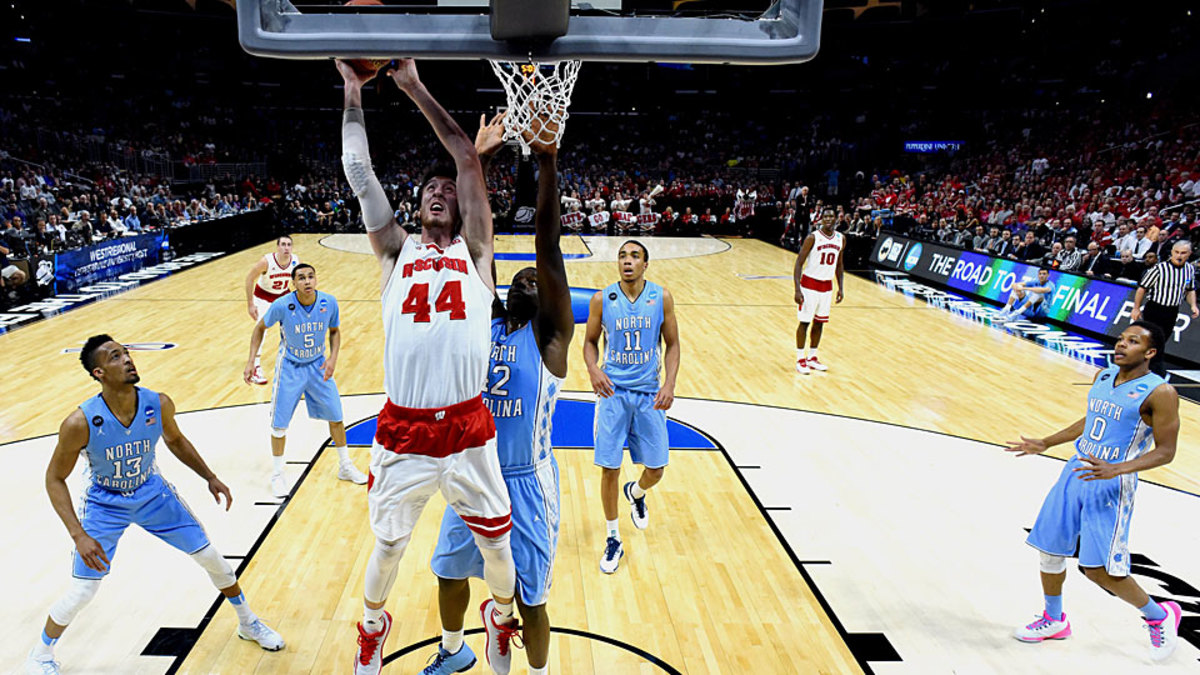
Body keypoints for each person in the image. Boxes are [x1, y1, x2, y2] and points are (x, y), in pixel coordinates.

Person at [337, 58, 517, 675]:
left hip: (467, 426)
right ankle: (372, 628)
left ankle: (499, 617)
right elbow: (359, 174)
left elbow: (465, 158)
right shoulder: (394, 251)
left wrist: (412, 86)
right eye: (428, 192)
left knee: (498, 547)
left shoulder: (477, 252)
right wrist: (353, 89)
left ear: (461, 208)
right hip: (405, 428)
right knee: (388, 546)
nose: (439, 194)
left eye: (447, 192)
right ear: (415, 209)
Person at [25, 335, 284, 674]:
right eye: (115, 357)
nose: (127, 359)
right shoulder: (80, 422)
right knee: (84, 590)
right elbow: (54, 479)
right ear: (99, 373)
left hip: (152, 493)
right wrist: (78, 535)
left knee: (212, 558)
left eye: (126, 353)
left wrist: (210, 476)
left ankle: (248, 622)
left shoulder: (157, 403)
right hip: (105, 504)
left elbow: (175, 440)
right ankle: (40, 654)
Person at [424, 114, 575, 675]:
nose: (527, 280)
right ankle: (454, 648)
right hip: (471, 470)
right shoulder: (483, 322)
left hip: (526, 480)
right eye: (519, 278)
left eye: (535, 280)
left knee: (533, 601)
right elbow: (470, 242)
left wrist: (547, 162)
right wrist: (477, 161)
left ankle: (535, 671)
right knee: (447, 571)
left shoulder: (550, 337)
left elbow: (548, 246)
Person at [1006, 321, 1183, 663]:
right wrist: (1047, 442)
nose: (1121, 344)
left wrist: (1118, 468)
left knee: (1100, 571)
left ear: (1150, 352)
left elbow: (1166, 451)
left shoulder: (1161, 393)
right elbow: (1092, 419)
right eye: (1121, 338)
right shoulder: (1103, 376)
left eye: (1133, 341)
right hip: (1076, 470)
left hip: (1111, 482)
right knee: (1049, 549)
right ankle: (1054, 619)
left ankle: (1159, 615)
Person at [583, 239, 681, 574]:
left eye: (635, 256)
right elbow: (589, 342)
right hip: (613, 393)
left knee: (656, 469)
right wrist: (593, 369)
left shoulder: (661, 297)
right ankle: (613, 537)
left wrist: (669, 384)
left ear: (645, 264)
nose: (627, 261)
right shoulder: (602, 299)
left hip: (649, 394)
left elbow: (673, 344)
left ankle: (636, 493)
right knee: (609, 467)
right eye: (622, 255)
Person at [243, 263, 366, 498]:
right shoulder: (282, 305)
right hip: (290, 367)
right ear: (294, 283)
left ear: (316, 279)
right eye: (301, 278)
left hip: (318, 366)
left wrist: (333, 358)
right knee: (279, 425)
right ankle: (277, 474)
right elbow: (259, 328)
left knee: (336, 416)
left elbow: (335, 331)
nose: (307, 281)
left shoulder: (329, 302)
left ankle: (345, 465)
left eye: (310, 276)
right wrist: (251, 361)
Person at [1130, 241, 1199, 376]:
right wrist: (1136, 308)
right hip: (1155, 309)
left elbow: (1190, 290)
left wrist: (1193, 305)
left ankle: (1151, 369)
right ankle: (1147, 367)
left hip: (1172, 310)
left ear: (1189, 254)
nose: (1179, 255)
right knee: (1150, 339)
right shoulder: (1159, 269)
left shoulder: (1189, 269)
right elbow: (1142, 288)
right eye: (1176, 252)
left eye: (1183, 253)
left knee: (1161, 341)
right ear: (1172, 252)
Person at [793, 208, 846, 373]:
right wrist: (797, 289)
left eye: (831, 216)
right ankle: (800, 359)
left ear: (836, 219)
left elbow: (839, 265)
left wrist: (841, 287)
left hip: (827, 286)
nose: (828, 219)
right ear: (821, 219)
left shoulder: (841, 238)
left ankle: (812, 357)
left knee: (819, 322)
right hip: (809, 285)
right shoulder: (812, 237)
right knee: (805, 322)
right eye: (826, 216)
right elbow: (798, 263)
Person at [243, 235, 299, 385]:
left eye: (289, 245)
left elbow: (296, 281)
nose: (286, 248)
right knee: (261, 329)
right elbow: (249, 279)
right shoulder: (266, 261)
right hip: (263, 297)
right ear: (277, 247)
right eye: (283, 244)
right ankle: (255, 366)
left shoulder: (295, 261)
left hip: (282, 296)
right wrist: (250, 304)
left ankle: (295, 360)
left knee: (294, 326)